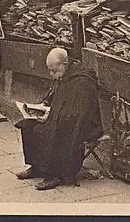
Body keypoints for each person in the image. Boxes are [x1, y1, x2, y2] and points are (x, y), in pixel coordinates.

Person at [16, 47, 104, 190]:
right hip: (64, 118)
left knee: (58, 129)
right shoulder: (63, 74)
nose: (52, 75)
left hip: (84, 125)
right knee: (29, 125)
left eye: (54, 71)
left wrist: (54, 117)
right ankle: (37, 167)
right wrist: (42, 107)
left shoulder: (83, 80)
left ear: (64, 64)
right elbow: (53, 98)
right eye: (50, 70)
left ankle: (56, 174)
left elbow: (81, 113)